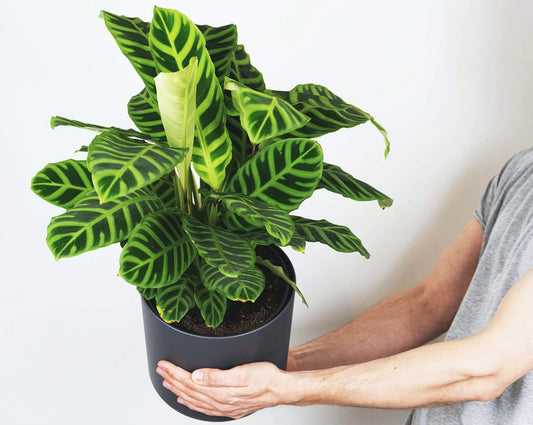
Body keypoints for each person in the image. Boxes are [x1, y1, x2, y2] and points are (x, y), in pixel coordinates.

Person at [155, 147, 533, 424]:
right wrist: (287, 365)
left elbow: (489, 368)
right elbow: (427, 304)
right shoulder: (522, 172)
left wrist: (285, 390)